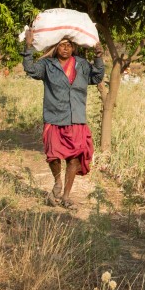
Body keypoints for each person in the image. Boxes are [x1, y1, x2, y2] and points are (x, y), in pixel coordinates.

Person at [23, 30, 105, 209]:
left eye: (69, 45)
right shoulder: (47, 65)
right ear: (55, 46)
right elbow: (31, 70)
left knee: (74, 158)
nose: (65, 48)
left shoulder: (82, 64)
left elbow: (97, 77)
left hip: (76, 117)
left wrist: (98, 57)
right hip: (54, 116)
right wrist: (28, 47)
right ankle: (57, 182)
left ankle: (66, 196)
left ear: (74, 47)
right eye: (61, 44)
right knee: (53, 155)